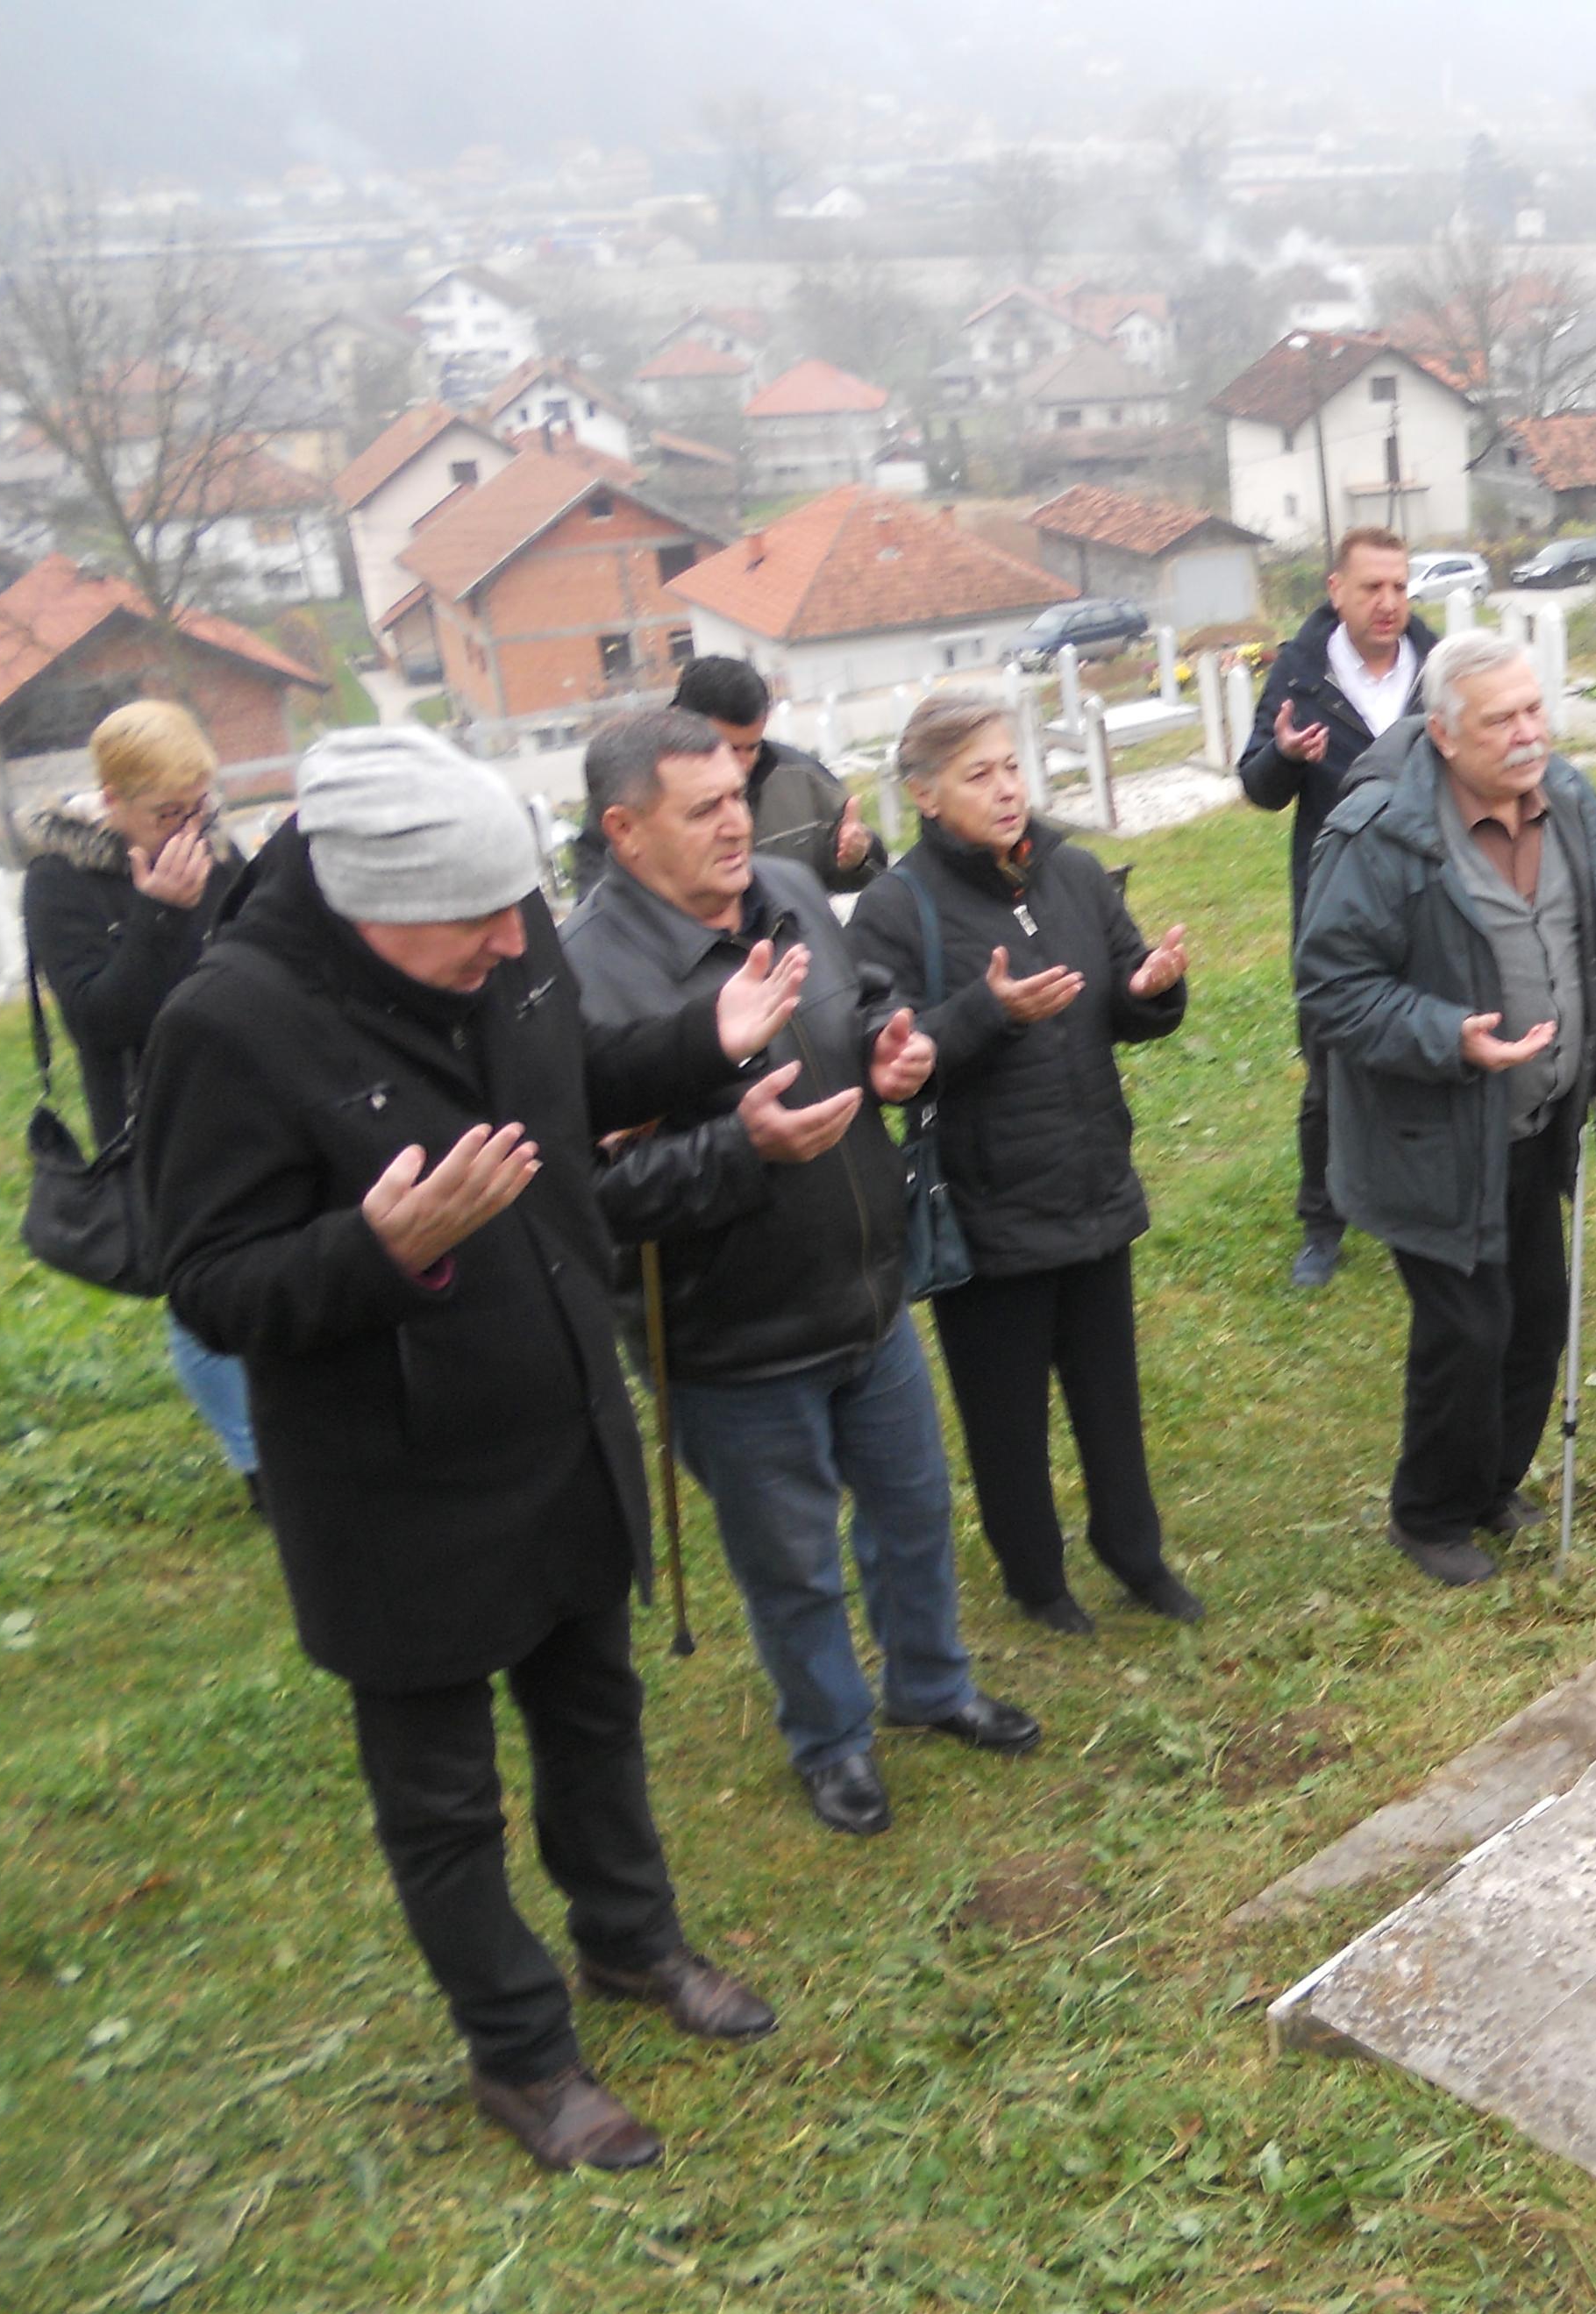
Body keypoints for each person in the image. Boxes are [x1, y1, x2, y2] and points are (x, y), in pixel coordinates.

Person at [139, 725, 793, 2174]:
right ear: (366, 899)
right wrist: (376, 1251)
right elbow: (210, 1281)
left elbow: (565, 1077)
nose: (514, 944)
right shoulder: (231, 1024)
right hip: (396, 1488)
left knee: (595, 1715)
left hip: (557, 1415)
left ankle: (631, 1943)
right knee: (442, 1798)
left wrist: (703, 1042)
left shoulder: (501, 926)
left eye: (521, 911)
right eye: (476, 924)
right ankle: (521, 2055)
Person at [562, 708, 1041, 1841]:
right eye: (705, 810)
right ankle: (830, 1741)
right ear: (625, 832)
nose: (738, 823)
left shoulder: (786, 894)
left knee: (915, 1510)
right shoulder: (586, 980)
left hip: (867, 1291)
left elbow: (863, 992)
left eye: (738, 795)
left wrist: (892, 1043)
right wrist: (742, 1150)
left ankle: (930, 1685)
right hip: (729, 1333)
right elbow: (588, 1204)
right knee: (792, 1565)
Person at [1294, 630, 1596, 1589]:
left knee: (1536, 1317)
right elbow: (1330, 989)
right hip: (1428, 1135)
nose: (1527, 734)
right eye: (1501, 719)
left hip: (1540, 1123)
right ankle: (1426, 1515)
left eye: (1534, 709)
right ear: (1444, 734)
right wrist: (1447, 1035)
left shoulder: (1575, 802)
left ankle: (1491, 1483)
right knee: (1466, 1330)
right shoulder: (1382, 832)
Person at [846, 691, 1205, 1636]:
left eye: (1011, 766)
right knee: (1006, 1416)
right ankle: (1035, 1578)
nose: (1007, 789)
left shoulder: (1074, 872)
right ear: (925, 795)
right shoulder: (896, 909)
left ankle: (1134, 1553)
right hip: (985, 1203)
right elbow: (886, 1050)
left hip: (1090, 1181)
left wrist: (1150, 988)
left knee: (1109, 1397)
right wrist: (987, 1013)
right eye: (980, 774)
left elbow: (1121, 990)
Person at [16, 700, 258, 1504]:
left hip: (251, 1088)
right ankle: (259, 1463)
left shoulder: (216, 850)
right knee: (195, 1289)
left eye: (198, 806)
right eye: (166, 813)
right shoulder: (61, 880)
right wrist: (161, 914)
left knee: (278, 1254)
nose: (188, 827)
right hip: (152, 1112)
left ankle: (308, 1424)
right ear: (113, 802)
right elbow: (97, 1018)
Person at [1237, 525, 1438, 1290]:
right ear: (1336, 591)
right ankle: (1323, 1223)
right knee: (1331, 1070)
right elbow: (1257, 788)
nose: (1388, 603)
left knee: (1424, 1050)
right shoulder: (1300, 672)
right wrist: (1286, 758)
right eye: (1371, 588)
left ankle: (1413, 1205)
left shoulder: (1438, 663)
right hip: (1335, 900)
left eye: (1399, 586)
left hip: (1429, 890)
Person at [673, 654, 886, 894]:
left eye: (752, 747)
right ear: (681, 722)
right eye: (728, 748)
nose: (741, 765)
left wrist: (859, 859)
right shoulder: (641, 797)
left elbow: (869, 875)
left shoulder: (805, 781)